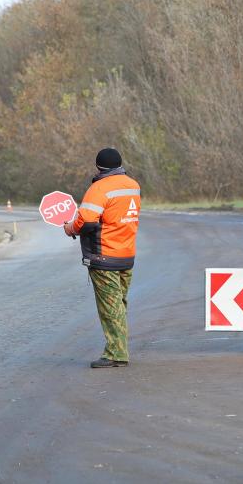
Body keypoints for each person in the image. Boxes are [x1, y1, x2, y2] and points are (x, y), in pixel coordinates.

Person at [63, 148, 141, 368]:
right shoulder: (133, 185)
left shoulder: (99, 188)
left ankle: (116, 354)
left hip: (104, 255)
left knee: (110, 307)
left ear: (98, 167)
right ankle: (119, 349)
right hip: (126, 254)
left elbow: (86, 220)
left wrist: (70, 228)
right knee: (119, 304)